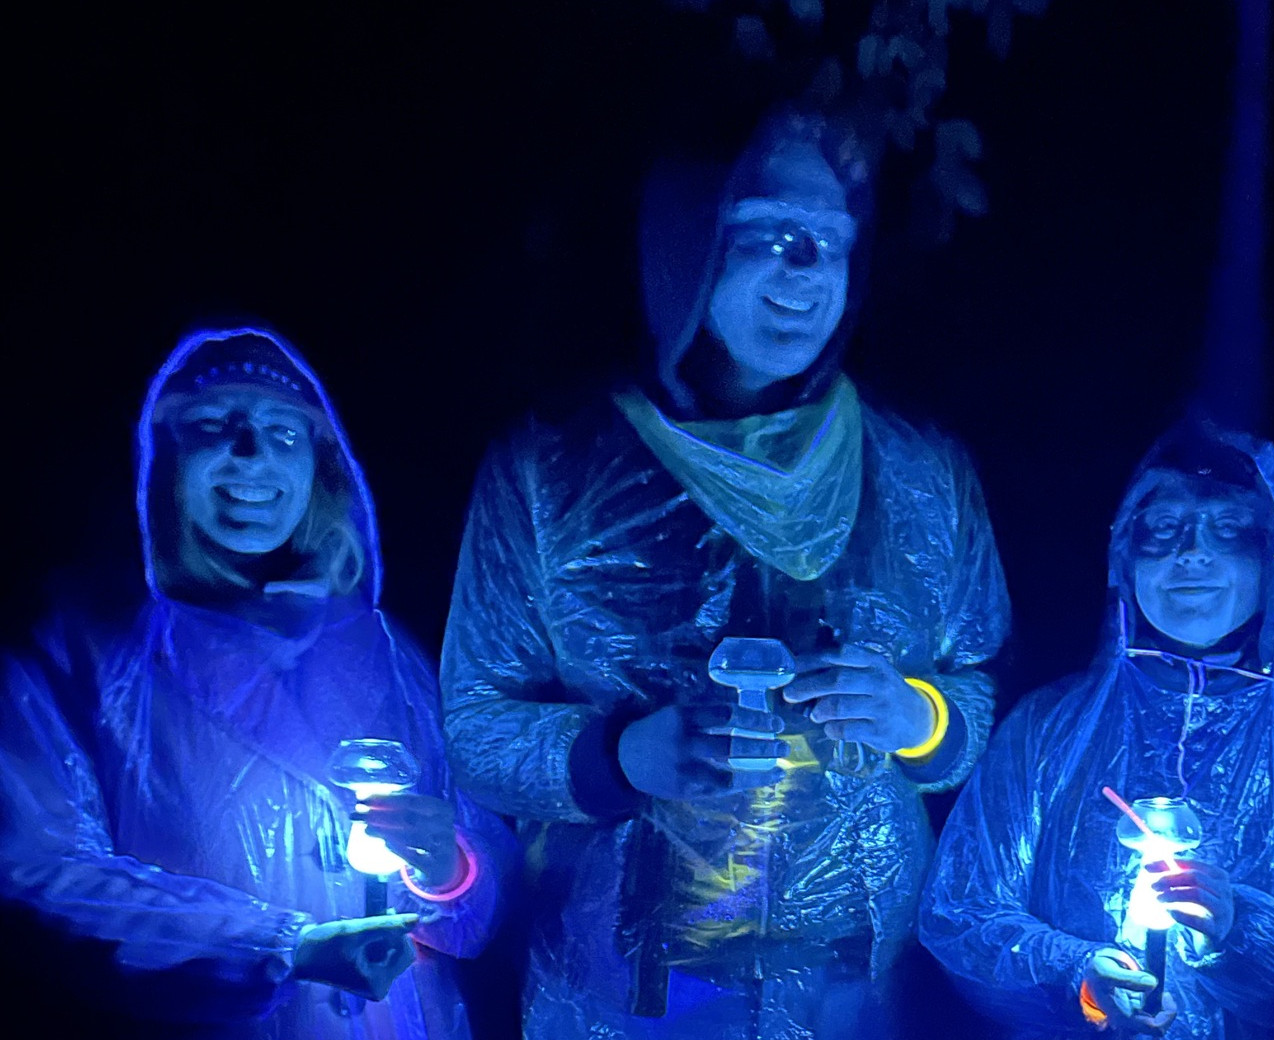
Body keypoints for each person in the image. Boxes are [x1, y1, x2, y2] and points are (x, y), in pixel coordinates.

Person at [439, 109, 1009, 1040]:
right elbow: (474, 723)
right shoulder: (552, 470)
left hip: (851, 976)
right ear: (687, 244)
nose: (806, 272)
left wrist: (920, 716)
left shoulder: (918, 471)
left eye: (830, 244)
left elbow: (978, 685)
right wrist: (621, 755)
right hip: (633, 984)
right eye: (768, 235)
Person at [0, 327, 507, 1039]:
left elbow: (483, 863)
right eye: (214, 426)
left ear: (321, 467)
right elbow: (35, 875)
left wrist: (449, 868)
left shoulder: (381, 649)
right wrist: (279, 949)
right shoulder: (77, 654)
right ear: (162, 458)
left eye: (283, 432)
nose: (252, 453)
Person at [920, 421, 1274, 1039]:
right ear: (1125, 556)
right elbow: (962, 912)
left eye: (1229, 529)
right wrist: (1081, 975)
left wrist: (1243, 927)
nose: (1193, 553)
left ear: (1273, 560)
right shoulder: (1046, 733)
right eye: (1164, 529)